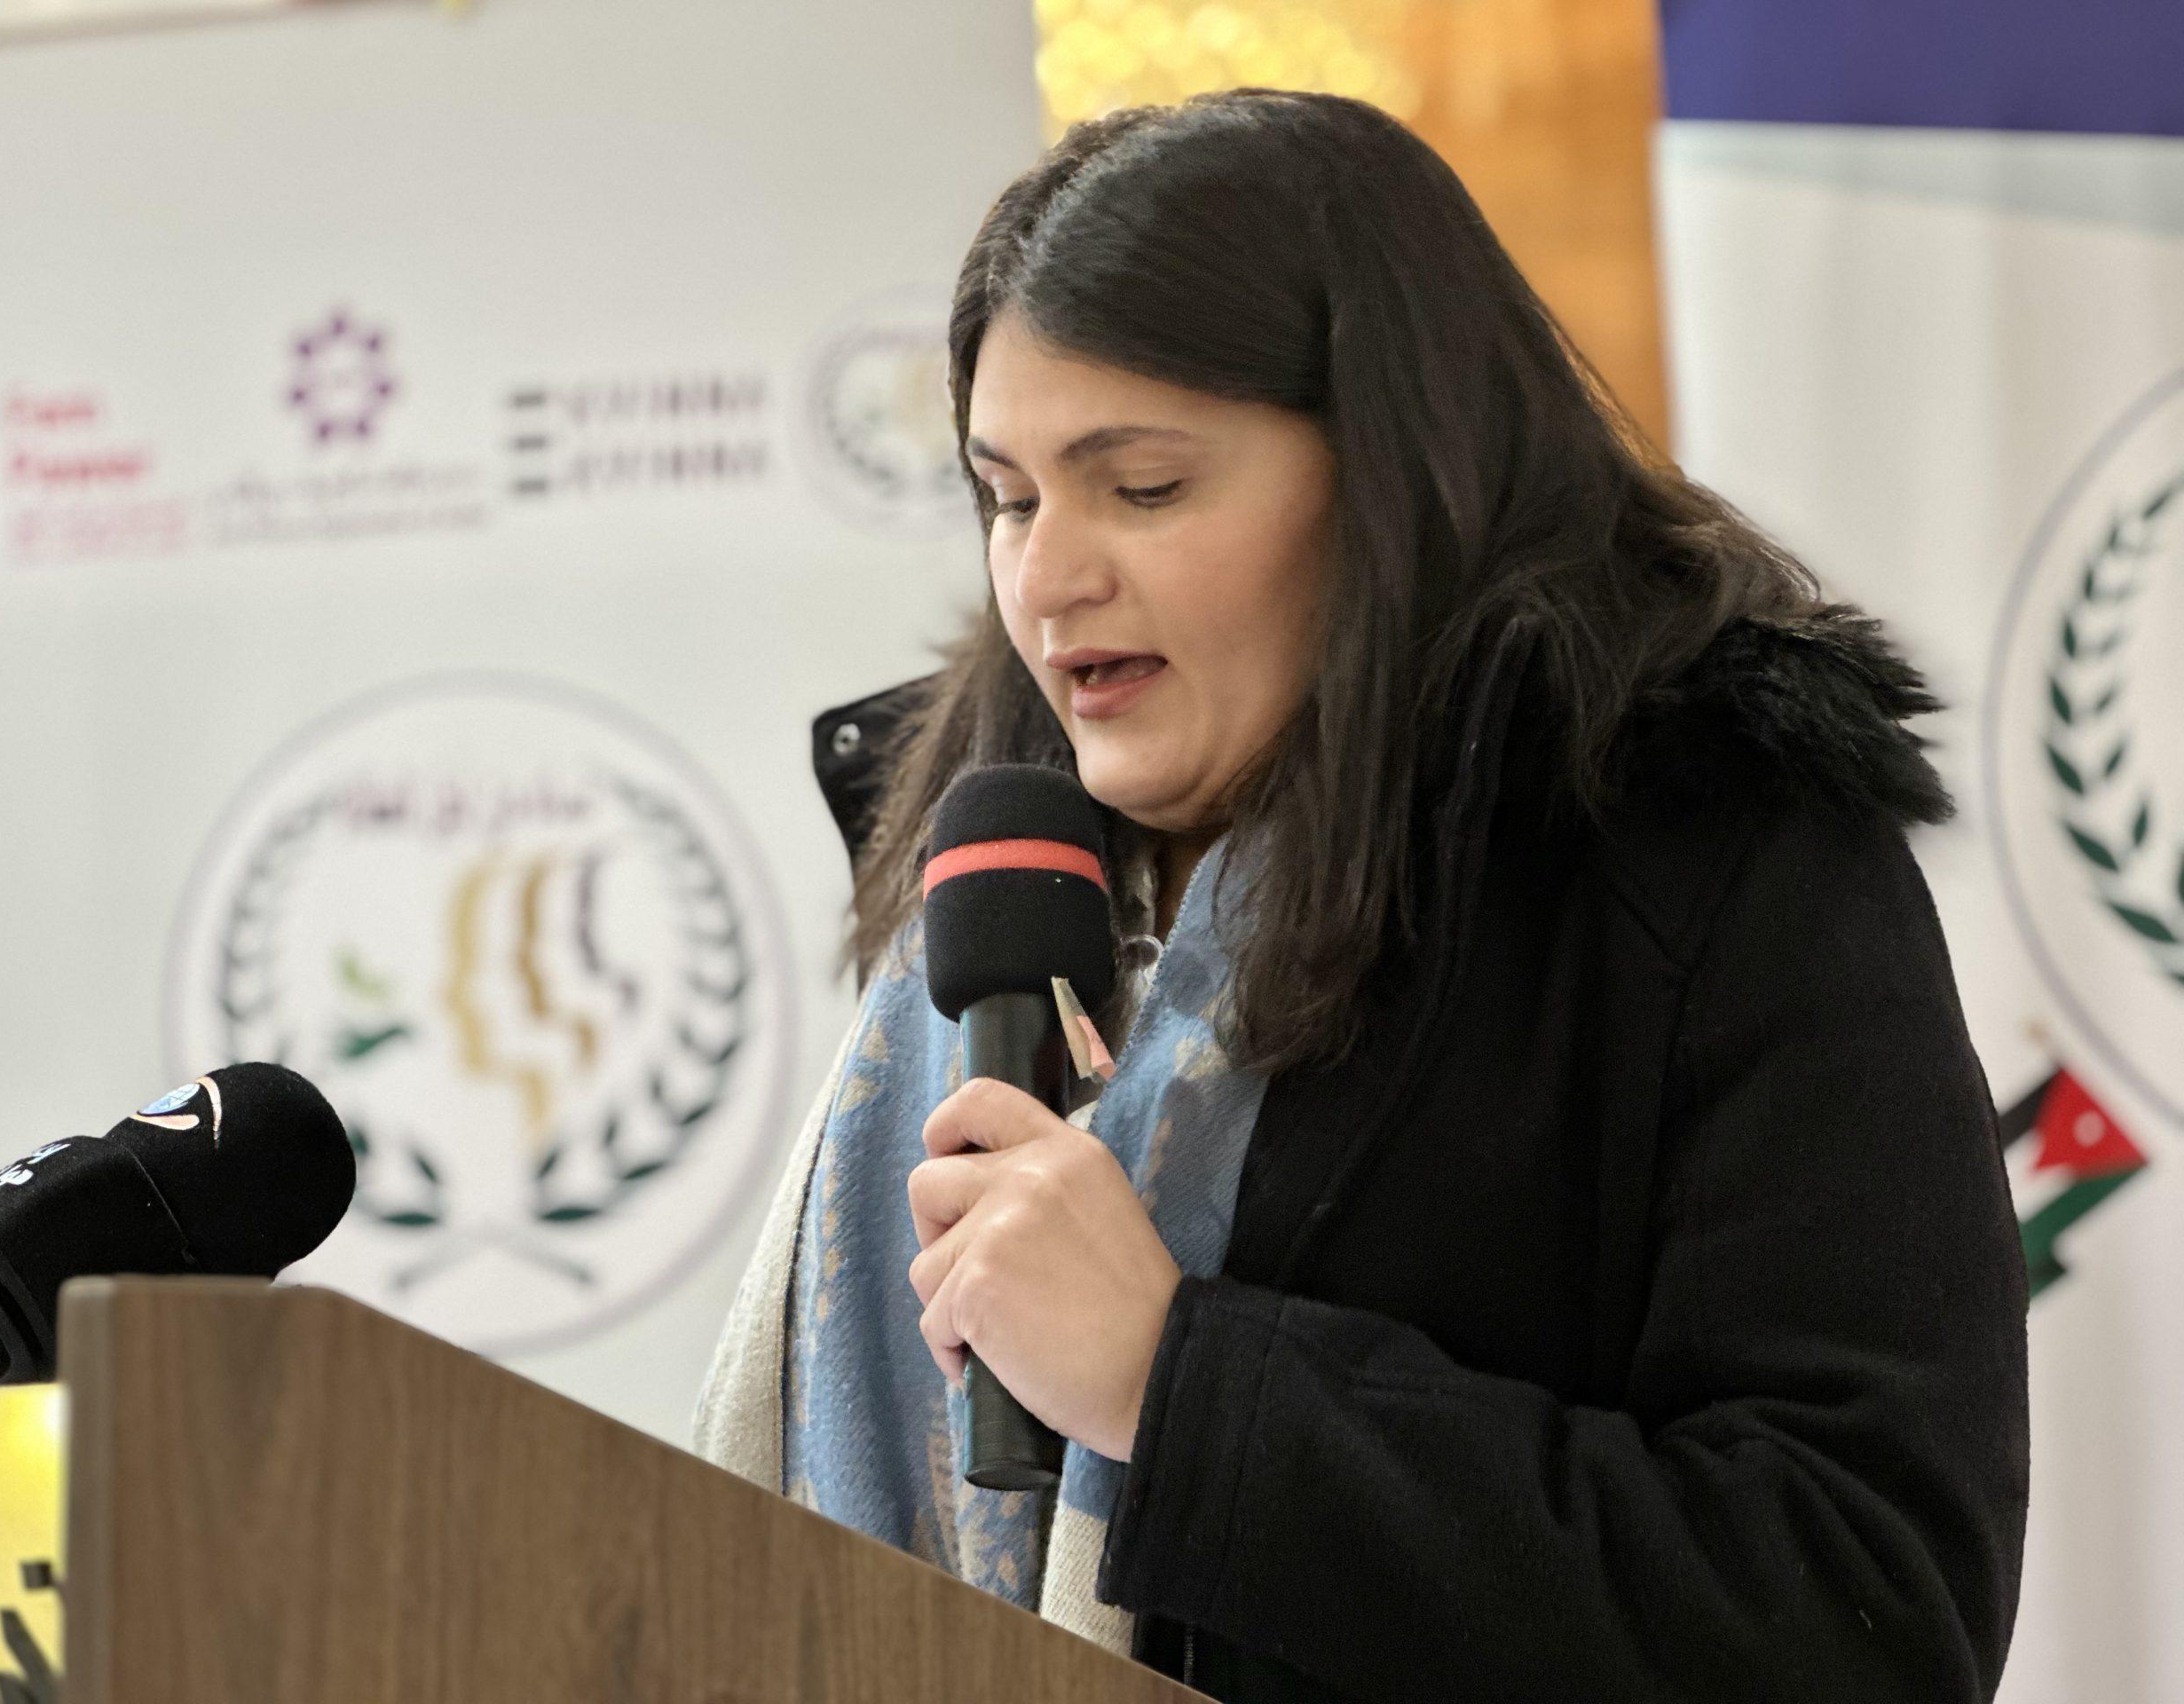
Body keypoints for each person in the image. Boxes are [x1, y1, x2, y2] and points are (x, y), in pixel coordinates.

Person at [695, 88, 2028, 1703]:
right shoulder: (988, 888)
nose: (1047, 580)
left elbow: (1866, 1612)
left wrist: (1182, 1391)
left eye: (1144, 486)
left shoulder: (1712, 859)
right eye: (1011, 497)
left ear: (1398, 475)